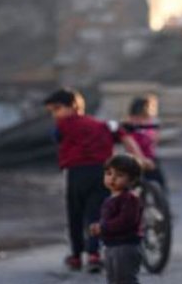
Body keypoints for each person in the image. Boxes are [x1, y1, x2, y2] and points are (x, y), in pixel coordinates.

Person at [43, 88, 151, 272]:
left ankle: (76, 256)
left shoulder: (63, 125)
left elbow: (56, 138)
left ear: (74, 107)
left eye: (57, 109)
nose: (55, 114)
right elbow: (124, 136)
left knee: (75, 214)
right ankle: (94, 254)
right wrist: (140, 158)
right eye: (52, 111)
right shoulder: (104, 124)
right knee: (96, 213)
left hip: (76, 174)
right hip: (101, 173)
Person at [89, 154, 144, 284]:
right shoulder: (110, 198)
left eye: (119, 175)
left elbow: (125, 221)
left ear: (131, 180)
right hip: (112, 245)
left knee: (125, 276)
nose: (112, 179)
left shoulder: (130, 199)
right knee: (114, 276)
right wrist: (99, 226)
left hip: (126, 246)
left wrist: (103, 227)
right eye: (109, 173)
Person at [125, 94, 167, 190]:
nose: (154, 109)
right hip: (135, 160)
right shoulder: (131, 123)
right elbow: (130, 143)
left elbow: (154, 140)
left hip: (150, 158)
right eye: (152, 106)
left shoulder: (152, 122)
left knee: (159, 186)